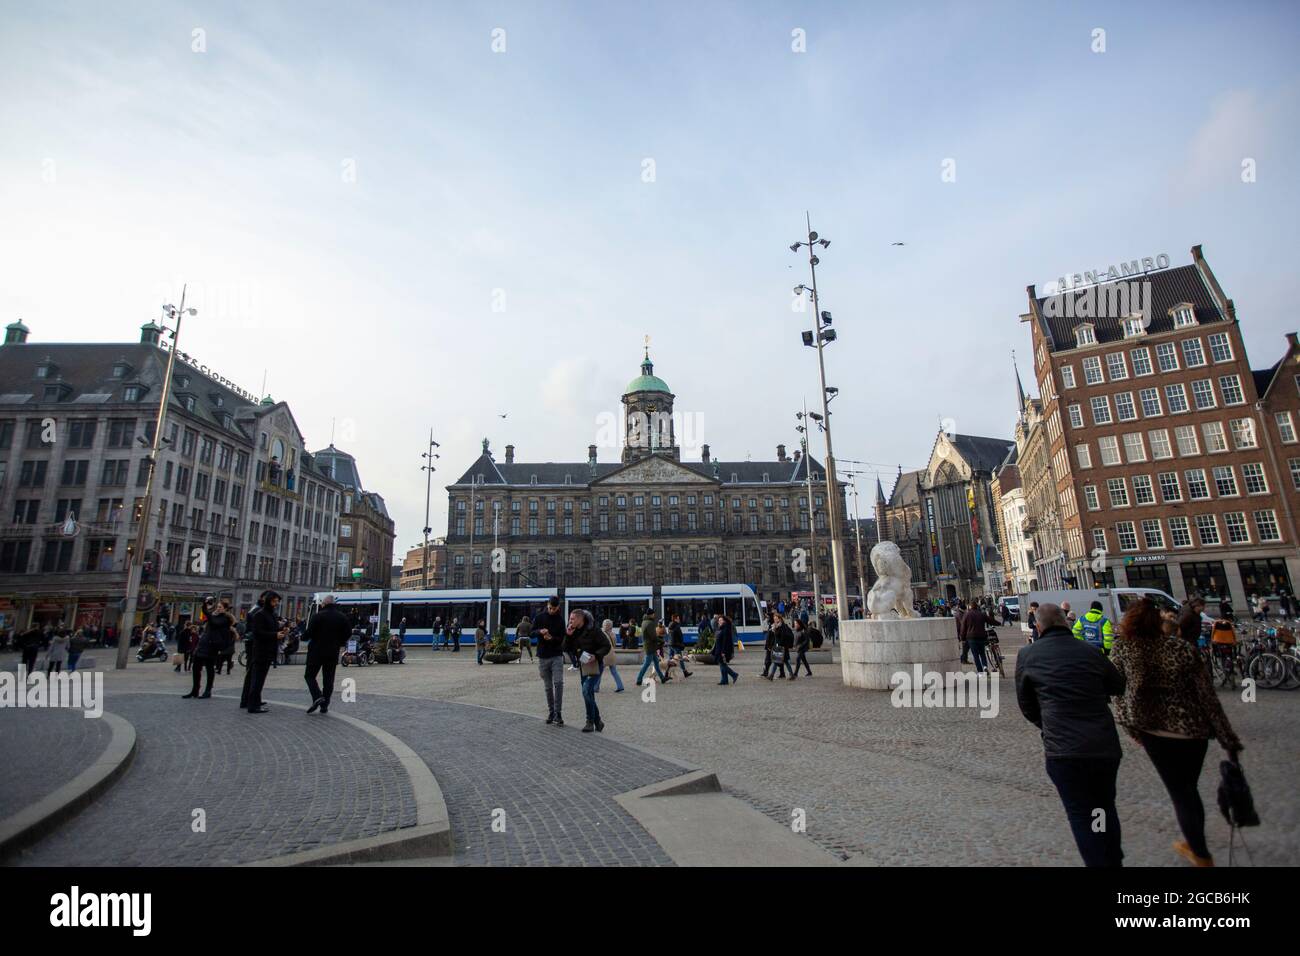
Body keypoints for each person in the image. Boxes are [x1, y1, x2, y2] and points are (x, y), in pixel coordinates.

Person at [1110, 597, 1243, 867]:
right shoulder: (1181, 648)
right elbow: (1208, 698)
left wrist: (1131, 728)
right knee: (1188, 788)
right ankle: (1194, 842)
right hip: (1192, 730)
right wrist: (1227, 738)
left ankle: (1200, 852)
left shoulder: (1124, 648)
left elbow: (1117, 693)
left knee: (1181, 792)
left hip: (1156, 732)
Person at [1015, 603, 1126, 867]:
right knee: (1102, 806)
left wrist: (1049, 724)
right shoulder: (1089, 651)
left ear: (1038, 627)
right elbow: (1118, 685)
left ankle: (1100, 862)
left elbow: (1027, 705)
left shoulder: (1029, 655)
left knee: (1080, 814)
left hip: (1063, 750)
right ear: (1066, 622)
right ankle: (1111, 858)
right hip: (1102, 746)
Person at [303, 595, 351, 714]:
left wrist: (304, 637)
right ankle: (324, 705)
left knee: (309, 675)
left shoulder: (318, 616)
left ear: (323, 604)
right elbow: (348, 633)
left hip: (316, 651)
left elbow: (308, 633)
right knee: (328, 679)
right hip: (332, 652)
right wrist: (339, 642)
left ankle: (317, 695)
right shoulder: (342, 617)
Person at [240, 591, 285, 714]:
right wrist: (275, 634)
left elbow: (271, 628)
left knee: (259, 678)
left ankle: (254, 701)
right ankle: (252, 705)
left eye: (277, 602)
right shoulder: (260, 614)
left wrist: (281, 630)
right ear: (269, 601)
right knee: (257, 678)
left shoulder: (272, 614)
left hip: (268, 650)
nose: (276, 604)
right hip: (261, 651)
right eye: (275, 601)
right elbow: (258, 633)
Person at [568, 608, 612, 732]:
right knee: (589, 694)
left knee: (586, 690)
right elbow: (566, 648)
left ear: (580, 619)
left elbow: (606, 646)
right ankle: (598, 721)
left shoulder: (594, 630)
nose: (570, 621)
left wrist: (596, 656)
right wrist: (568, 635)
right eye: (570, 619)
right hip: (583, 666)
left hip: (595, 665)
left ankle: (590, 721)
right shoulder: (573, 631)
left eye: (572, 619)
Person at [185, 598, 234, 699]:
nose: (218, 609)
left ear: (225, 609)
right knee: (196, 667)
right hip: (203, 644)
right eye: (217, 607)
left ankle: (208, 690)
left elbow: (214, 622)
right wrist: (205, 605)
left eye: (220, 607)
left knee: (209, 668)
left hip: (212, 646)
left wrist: (208, 612)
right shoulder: (213, 616)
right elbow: (207, 619)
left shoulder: (224, 619)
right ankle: (195, 689)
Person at [533, 597, 567, 726]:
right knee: (548, 687)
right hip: (542, 656)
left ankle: (558, 713)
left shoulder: (560, 620)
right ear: (547, 605)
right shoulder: (539, 617)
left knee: (558, 683)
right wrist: (540, 632)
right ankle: (551, 712)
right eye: (550, 608)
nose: (552, 610)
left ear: (558, 607)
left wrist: (551, 638)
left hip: (556, 655)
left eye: (554, 608)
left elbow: (562, 639)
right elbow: (531, 632)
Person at [636, 611, 668, 685]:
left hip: (650, 646)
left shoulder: (644, 622)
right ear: (651, 614)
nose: (654, 615)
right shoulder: (650, 623)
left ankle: (662, 678)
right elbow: (653, 637)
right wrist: (662, 641)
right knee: (646, 664)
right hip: (650, 646)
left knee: (656, 663)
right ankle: (639, 679)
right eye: (654, 614)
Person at [961, 602, 991, 673]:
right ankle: (985, 666)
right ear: (977, 607)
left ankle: (980, 671)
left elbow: (963, 627)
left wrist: (963, 638)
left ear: (970, 607)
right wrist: (998, 623)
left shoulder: (967, 615)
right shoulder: (981, 614)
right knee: (982, 653)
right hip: (981, 636)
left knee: (976, 655)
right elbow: (990, 620)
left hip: (971, 638)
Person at [596, 619, 625, 692]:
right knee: (614, 672)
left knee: (599, 672)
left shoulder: (601, 633)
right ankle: (620, 686)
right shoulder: (613, 634)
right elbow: (614, 645)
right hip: (612, 654)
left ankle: (595, 687)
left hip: (604, 655)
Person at [766, 612, 793, 680]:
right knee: (778, 661)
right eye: (774, 619)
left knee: (782, 661)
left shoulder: (782, 626)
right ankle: (772, 675)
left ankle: (771, 675)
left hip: (782, 646)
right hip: (778, 646)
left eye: (776, 619)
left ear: (780, 619)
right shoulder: (776, 626)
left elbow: (782, 636)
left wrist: (775, 630)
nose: (775, 620)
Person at [715, 613, 740, 685]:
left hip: (722, 650)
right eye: (719, 620)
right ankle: (724, 680)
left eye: (721, 620)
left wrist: (723, 651)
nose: (719, 621)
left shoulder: (726, 628)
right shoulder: (720, 628)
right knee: (721, 665)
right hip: (718, 649)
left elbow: (725, 641)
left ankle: (734, 674)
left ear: (724, 621)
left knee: (723, 665)